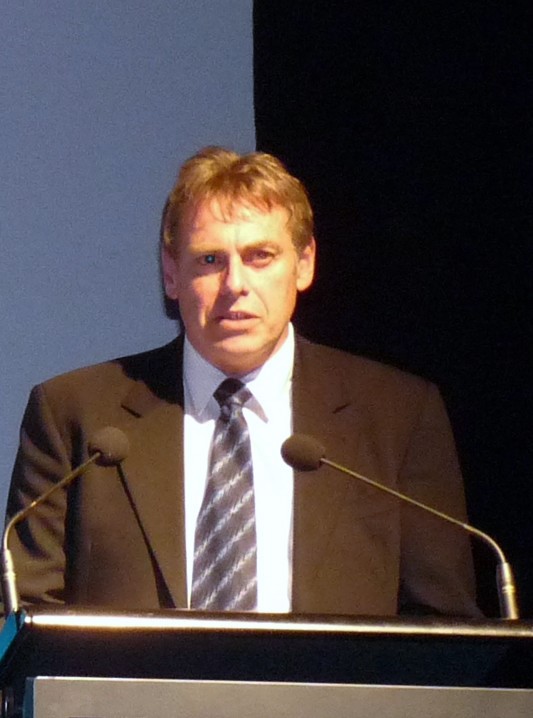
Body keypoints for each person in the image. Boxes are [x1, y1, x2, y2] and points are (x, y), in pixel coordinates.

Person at [4, 146, 479, 617]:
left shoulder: (397, 416)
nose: (235, 284)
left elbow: (443, 625)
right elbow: (24, 619)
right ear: (171, 274)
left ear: (304, 264)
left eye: (260, 256)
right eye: (210, 259)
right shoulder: (76, 415)